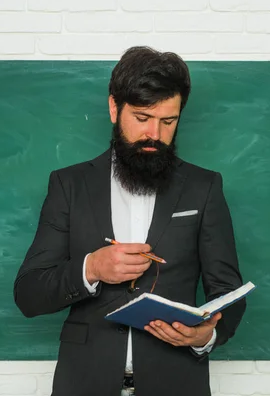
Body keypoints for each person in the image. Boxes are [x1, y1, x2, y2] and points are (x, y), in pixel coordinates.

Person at [13, 46, 247, 396]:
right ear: (113, 108)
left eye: (168, 121)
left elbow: (228, 291)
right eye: (142, 118)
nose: (155, 133)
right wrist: (91, 268)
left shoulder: (205, 187)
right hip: (84, 384)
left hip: (177, 381)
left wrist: (207, 335)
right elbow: (28, 294)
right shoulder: (69, 185)